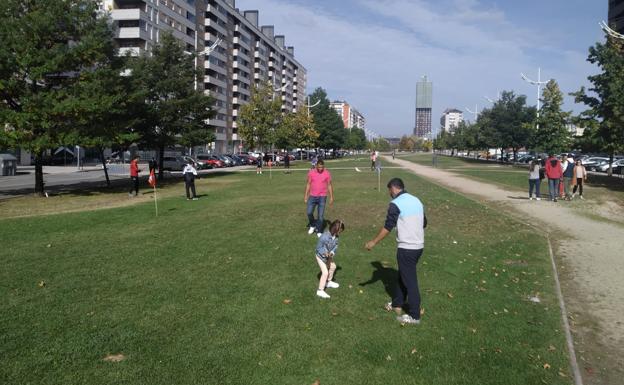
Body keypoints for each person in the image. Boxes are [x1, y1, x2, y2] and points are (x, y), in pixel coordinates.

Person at [365, 178, 427, 325]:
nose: (389, 194)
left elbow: (388, 227)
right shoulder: (416, 200)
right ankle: (397, 303)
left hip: (407, 248)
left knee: (410, 282)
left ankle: (414, 315)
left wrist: (373, 242)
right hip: (418, 247)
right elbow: (424, 223)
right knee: (403, 276)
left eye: (389, 191)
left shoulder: (395, 204)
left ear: (393, 189)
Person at [314, 219, 345, 299]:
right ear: (336, 229)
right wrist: (324, 253)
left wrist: (332, 252)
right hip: (320, 257)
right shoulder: (324, 236)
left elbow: (335, 246)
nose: (340, 232)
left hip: (328, 257)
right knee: (325, 272)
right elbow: (318, 248)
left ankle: (328, 282)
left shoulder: (336, 237)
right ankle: (320, 290)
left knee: (333, 267)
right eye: (340, 230)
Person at [304, 159, 334, 236]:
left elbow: (329, 185)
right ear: (316, 166)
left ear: (324, 166)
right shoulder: (311, 172)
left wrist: (331, 197)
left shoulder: (327, 173)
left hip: (322, 197)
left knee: (320, 216)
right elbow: (308, 184)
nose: (320, 169)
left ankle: (319, 230)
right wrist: (306, 195)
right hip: (312, 196)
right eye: (319, 167)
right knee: (309, 212)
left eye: (322, 167)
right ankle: (313, 225)